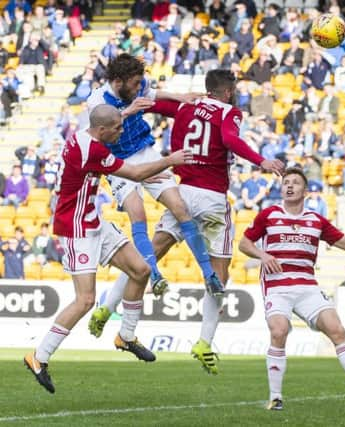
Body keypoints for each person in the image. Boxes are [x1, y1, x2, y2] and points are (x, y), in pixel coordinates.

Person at [88, 70, 284, 375]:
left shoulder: (185, 106)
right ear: (229, 93)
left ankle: (106, 307)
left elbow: (147, 103)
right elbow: (230, 139)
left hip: (183, 191)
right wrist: (263, 161)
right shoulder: (229, 113)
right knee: (219, 274)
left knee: (147, 255)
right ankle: (204, 342)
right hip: (213, 199)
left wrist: (166, 98)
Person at [23, 104, 192, 394]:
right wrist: (170, 160)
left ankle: (125, 336)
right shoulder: (94, 151)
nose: (121, 131)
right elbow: (136, 173)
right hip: (77, 229)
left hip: (94, 221)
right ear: (102, 130)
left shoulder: (84, 136)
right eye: (117, 128)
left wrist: (125, 115)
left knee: (140, 270)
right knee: (85, 300)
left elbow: (122, 153)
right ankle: (39, 357)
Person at [239, 168, 345, 410]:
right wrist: (263, 255)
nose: (289, 186)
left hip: (307, 286)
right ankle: (275, 397)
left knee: (336, 329)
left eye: (295, 183)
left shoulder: (316, 221)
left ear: (305, 191)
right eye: (286, 182)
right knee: (279, 330)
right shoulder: (269, 215)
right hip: (278, 287)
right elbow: (245, 243)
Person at [86, 53, 224, 297]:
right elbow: (98, 133)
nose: (140, 87)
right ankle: (154, 274)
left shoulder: (138, 85)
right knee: (138, 214)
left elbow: (153, 92)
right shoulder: (97, 100)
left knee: (180, 207)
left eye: (140, 82)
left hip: (145, 151)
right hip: (118, 163)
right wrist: (128, 112)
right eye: (135, 83)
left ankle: (209, 274)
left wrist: (180, 96)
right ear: (119, 82)